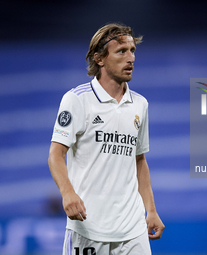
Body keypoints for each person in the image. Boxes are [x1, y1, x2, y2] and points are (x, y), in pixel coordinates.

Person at [48, 23, 165, 255]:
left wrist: (150, 210)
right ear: (99, 58)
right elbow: (56, 154)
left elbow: (139, 160)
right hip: (89, 227)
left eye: (132, 50)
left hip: (133, 229)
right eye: (121, 51)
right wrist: (68, 193)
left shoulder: (140, 104)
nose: (130, 58)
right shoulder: (77, 100)